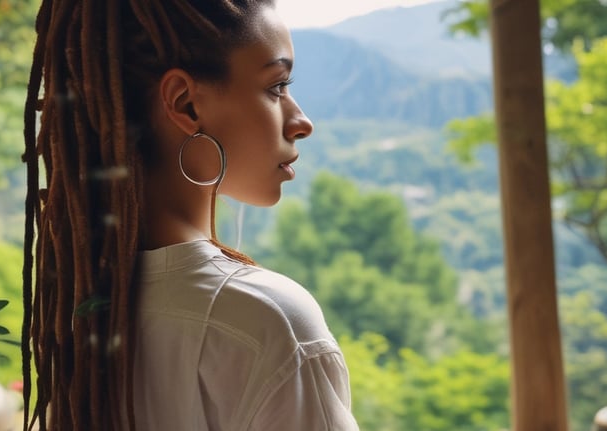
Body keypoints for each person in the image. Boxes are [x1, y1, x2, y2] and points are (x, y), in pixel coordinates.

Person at [21, 0, 359, 430]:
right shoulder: (270, 325)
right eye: (276, 86)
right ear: (185, 105)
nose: (301, 122)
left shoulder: (84, 303)